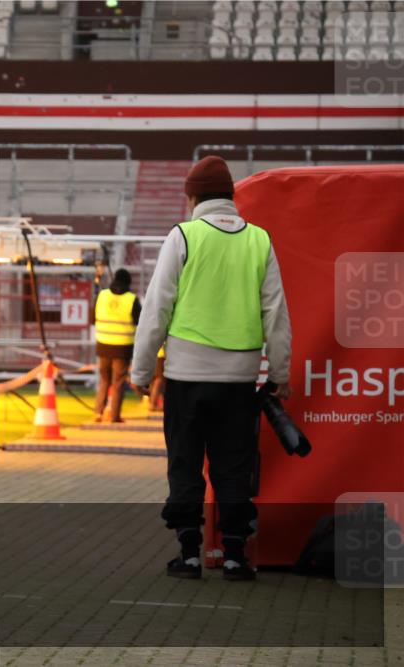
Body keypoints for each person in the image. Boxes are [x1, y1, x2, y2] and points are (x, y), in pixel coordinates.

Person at [131, 155, 292, 582]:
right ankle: (236, 554)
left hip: (187, 375)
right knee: (233, 465)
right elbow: (276, 313)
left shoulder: (183, 236)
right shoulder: (259, 240)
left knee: (185, 462)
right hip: (240, 378)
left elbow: (157, 309)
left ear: (192, 195)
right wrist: (280, 373)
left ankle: (188, 554)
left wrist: (141, 372)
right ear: (231, 195)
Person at [91, 268, 141, 423]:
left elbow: (93, 318)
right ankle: (114, 415)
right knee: (118, 382)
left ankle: (99, 412)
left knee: (104, 380)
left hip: (103, 345)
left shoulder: (102, 295)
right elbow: (139, 320)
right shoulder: (131, 299)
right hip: (122, 347)